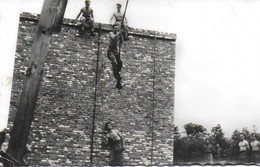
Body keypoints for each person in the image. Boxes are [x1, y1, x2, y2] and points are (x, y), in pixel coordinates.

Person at [107, 23, 124, 89]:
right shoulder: (111, 33)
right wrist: (119, 33)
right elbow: (113, 38)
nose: (116, 29)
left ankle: (117, 74)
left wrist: (121, 36)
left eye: (117, 28)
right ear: (113, 28)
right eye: (115, 28)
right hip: (110, 51)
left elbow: (121, 42)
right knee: (114, 62)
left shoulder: (118, 34)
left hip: (116, 51)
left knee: (120, 63)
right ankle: (116, 74)